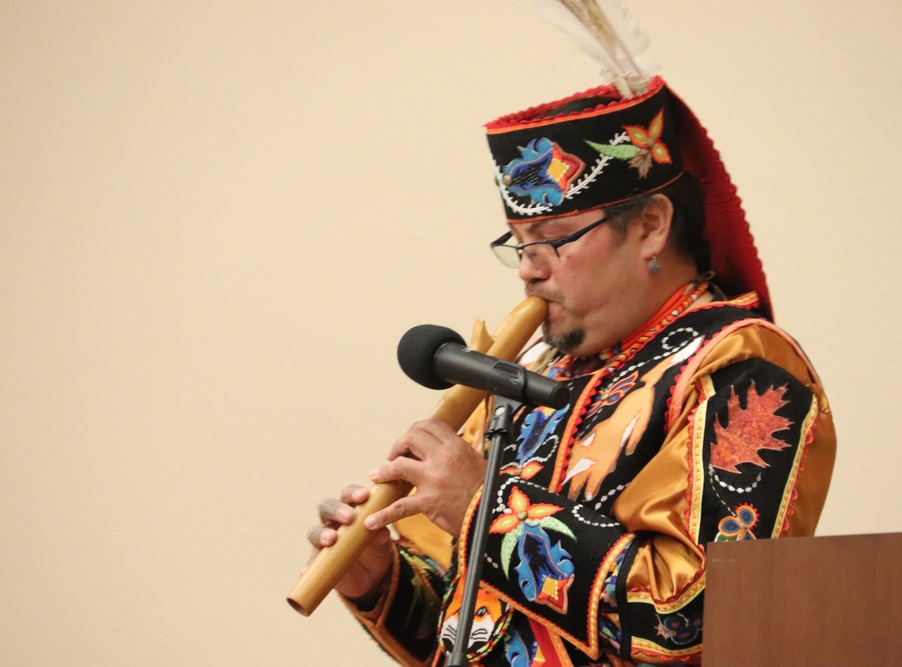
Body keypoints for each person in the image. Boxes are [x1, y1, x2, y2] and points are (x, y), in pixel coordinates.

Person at [305, 70, 835, 666]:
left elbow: (693, 618)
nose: (528, 269)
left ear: (651, 226)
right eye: (519, 244)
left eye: (553, 238)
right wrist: (381, 578)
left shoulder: (744, 368)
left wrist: (485, 510)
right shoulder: (524, 375)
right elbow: (463, 638)